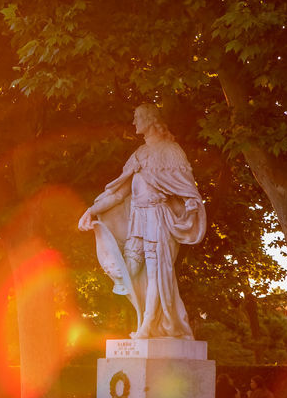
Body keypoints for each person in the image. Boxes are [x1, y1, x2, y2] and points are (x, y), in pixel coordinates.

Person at [77, 105, 206, 340]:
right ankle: (147, 320)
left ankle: (147, 325)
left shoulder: (171, 151)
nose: (134, 122)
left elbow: (186, 186)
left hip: (158, 218)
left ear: (150, 119)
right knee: (131, 270)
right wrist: (91, 210)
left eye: (137, 117)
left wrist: (190, 203)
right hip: (138, 219)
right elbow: (118, 194)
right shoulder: (138, 154)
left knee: (156, 273)